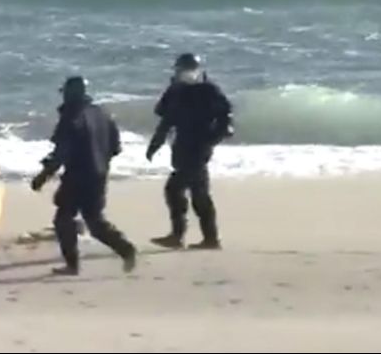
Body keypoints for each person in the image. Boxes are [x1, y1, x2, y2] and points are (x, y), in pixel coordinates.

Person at [31, 76, 137, 275]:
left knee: (63, 219)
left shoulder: (71, 117)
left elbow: (62, 153)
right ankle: (126, 249)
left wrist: (43, 176)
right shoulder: (103, 114)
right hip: (98, 175)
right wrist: (98, 160)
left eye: (64, 93)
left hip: (77, 176)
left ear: (70, 94)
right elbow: (115, 148)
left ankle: (72, 265)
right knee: (95, 222)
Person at [146, 53, 233, 250]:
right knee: (198, 193)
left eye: (188, 70)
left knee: (176, 189)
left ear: (198, 70)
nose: (184, 74)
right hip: (182, 146)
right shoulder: (176, 91)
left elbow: (226, 117)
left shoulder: (209, 90)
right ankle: (208, 238)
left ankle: (181, 236)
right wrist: (155, 144)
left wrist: (212, 139)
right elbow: (163, 116)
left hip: (199, 147)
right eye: (181, 70)